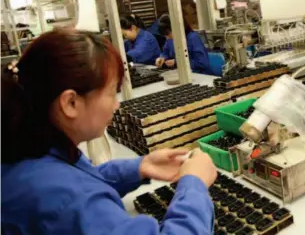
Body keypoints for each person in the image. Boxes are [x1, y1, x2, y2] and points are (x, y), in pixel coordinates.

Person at [1, 29, 217, 234]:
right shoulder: (68, 200)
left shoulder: (30, 147)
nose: (117, 106)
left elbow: (80, 178)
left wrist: (140, 167)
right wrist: (194, 186)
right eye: (113, 93)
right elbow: (75, 195)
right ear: (71, 103)